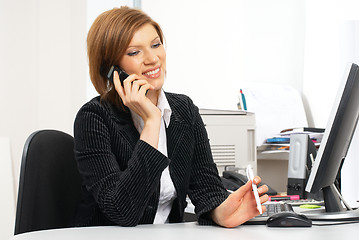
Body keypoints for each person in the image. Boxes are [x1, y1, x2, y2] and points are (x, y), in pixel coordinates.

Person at [73, 6, 268, 228]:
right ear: (113, 69)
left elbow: (206, 187)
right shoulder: (94, 118)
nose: (152, 58)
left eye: (156, 45)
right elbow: (122, 212)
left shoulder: (183, 109)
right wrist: (152, 122)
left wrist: (222, 212)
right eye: (134, 52)